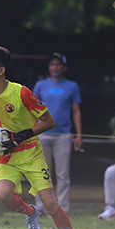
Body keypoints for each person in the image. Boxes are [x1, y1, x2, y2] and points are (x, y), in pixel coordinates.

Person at [0, 43, 85, 229]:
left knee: (50, 202)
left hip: (31, 152)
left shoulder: (22, 93)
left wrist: (21, 135)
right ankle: (30, 212)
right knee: (3, 195)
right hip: (6, 156)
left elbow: (49, 121)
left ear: (1, 70)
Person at [32, 52, 82, 211]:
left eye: (58, 64)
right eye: (52, 64)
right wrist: (31, 132)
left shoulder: (72, 86)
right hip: (43, 134)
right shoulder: (40, 85)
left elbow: (76, 111)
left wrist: (79, 134)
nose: (55, 67)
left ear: (64, 67)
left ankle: (63, 208)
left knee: (62, 175)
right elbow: (32, 109)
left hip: (63, 135)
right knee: (42, 173)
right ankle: (41, 207)